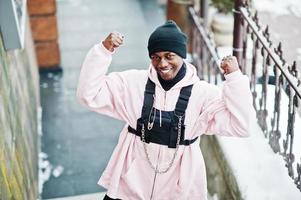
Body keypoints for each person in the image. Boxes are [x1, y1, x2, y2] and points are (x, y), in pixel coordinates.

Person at [77, 20, 256, 200]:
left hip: (178, 192)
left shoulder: (203, 94)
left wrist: (234, 79)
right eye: (156, 57)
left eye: (169, 56)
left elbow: (241, 126)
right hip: (128, 188)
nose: (162, 63)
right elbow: (88, 95)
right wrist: (103, 51)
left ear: (182, 55)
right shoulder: (132, 83)